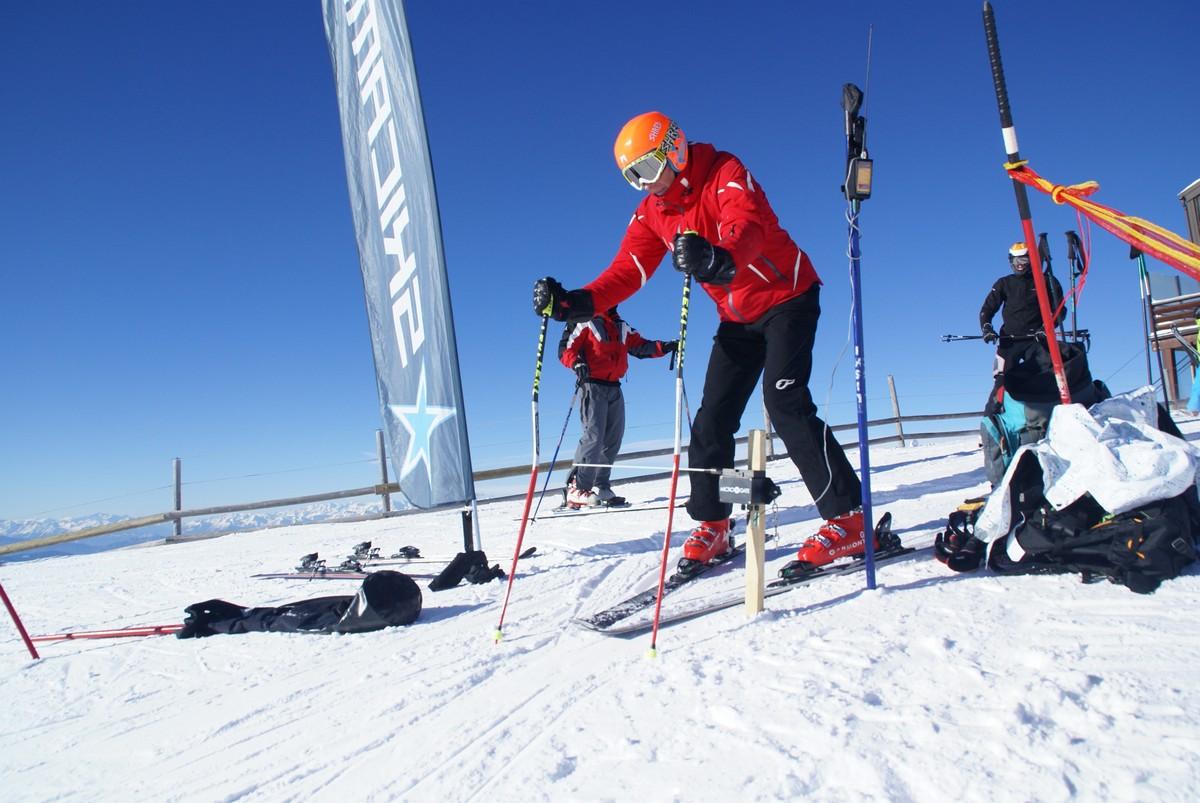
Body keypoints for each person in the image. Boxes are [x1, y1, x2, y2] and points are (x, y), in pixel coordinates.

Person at [531, 111, 867, 568]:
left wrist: (719, 257)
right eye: (633, 177)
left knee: (784, 401)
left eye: (648, 169)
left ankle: (848, 521)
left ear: (675, 149)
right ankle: (714, 522)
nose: (645, 184)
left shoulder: (724, 171)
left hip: (787, 296)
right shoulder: (654, 212)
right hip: (737, 318)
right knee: (710, 422)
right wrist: (572, 304)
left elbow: (747, 225)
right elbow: (627, 272)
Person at [558, 307, 676, 508]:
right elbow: (565, 349)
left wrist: (664, 347)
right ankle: (577, 488)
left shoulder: (621, 326)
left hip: (614, 387)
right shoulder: (584, 319)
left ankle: (601, 485)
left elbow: (639, 346)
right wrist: (576, 362)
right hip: (591, 384)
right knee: (593, 437)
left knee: (613, 438)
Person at [979, 242, 1065, 414]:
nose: (1019, 263)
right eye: (1015, 259)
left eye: (1024, 258)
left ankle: (1053, 418)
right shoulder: (1004, 283)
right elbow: (986, 309)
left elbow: (1060, 310)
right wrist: (987, 328)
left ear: (1031, 259)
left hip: (1037, 340)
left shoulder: (1046, 281)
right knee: (1001, 382)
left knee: (1046, 379)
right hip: (1009, 341)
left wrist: (1047, 327)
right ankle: (991, 422)